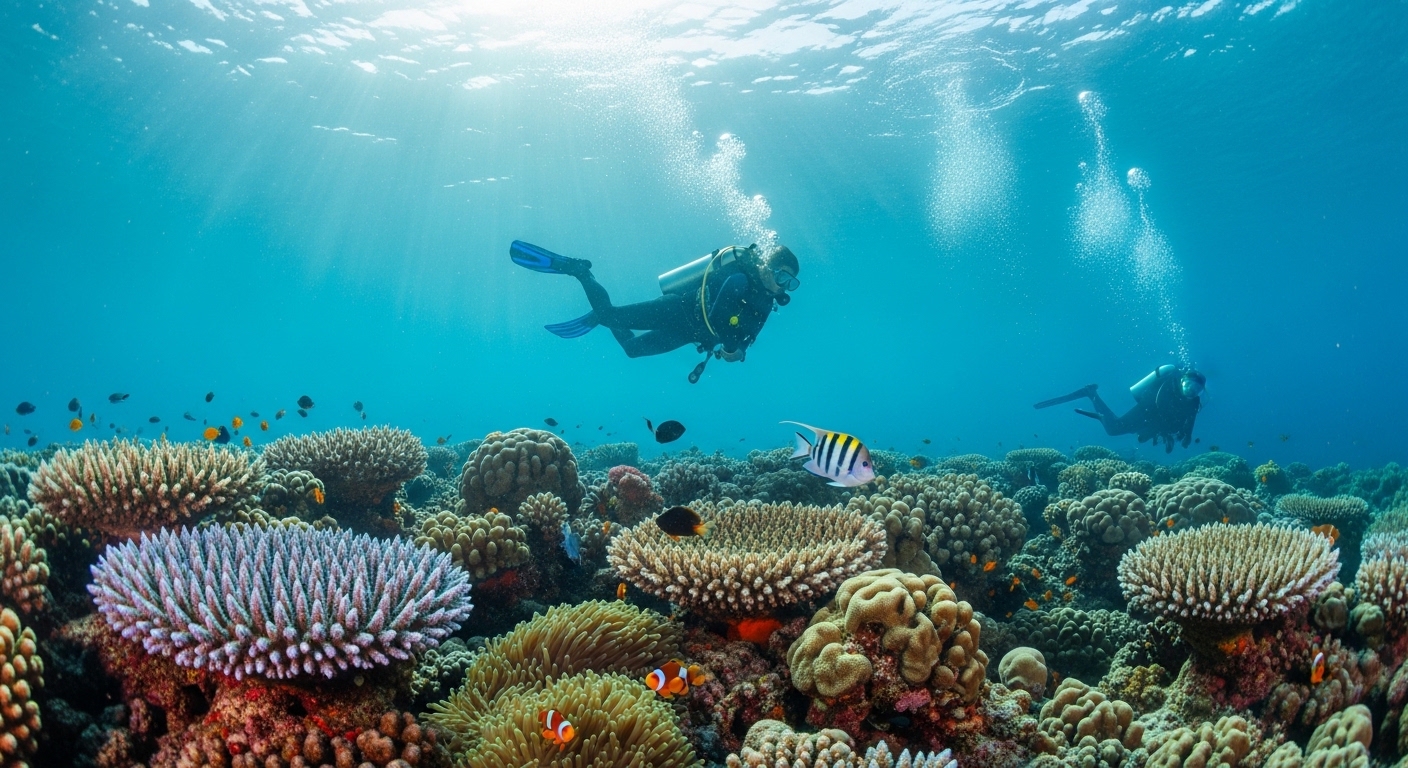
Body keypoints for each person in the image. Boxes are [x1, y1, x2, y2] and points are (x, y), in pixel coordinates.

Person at [510, 240, 799, 382]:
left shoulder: (765, 302)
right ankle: (580, 271)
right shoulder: (740, 279)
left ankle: (602, 315)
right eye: (782, 275)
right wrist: (732, 346)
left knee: (632, 350)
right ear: (766, 266)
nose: (783, 285)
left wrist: (739, 351)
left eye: (791, 283)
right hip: (676, 309)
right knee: (611, 316)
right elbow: (719, 313)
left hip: (689, 333)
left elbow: (749, 334)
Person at [1034, 365, 1206, 453]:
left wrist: (1186, 436)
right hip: (1147, 410)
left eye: (1196, 389)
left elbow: (1190, 421)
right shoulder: (1169, 386)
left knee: (1134, 435)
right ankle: (1091, 393)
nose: (1191, 391)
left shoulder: (1194, 402)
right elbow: (1160, 406)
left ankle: (1099, 409)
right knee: (1114, 429)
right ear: (1182, 381)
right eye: (1188, 385)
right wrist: (1163, 429)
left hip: (1156, 423)